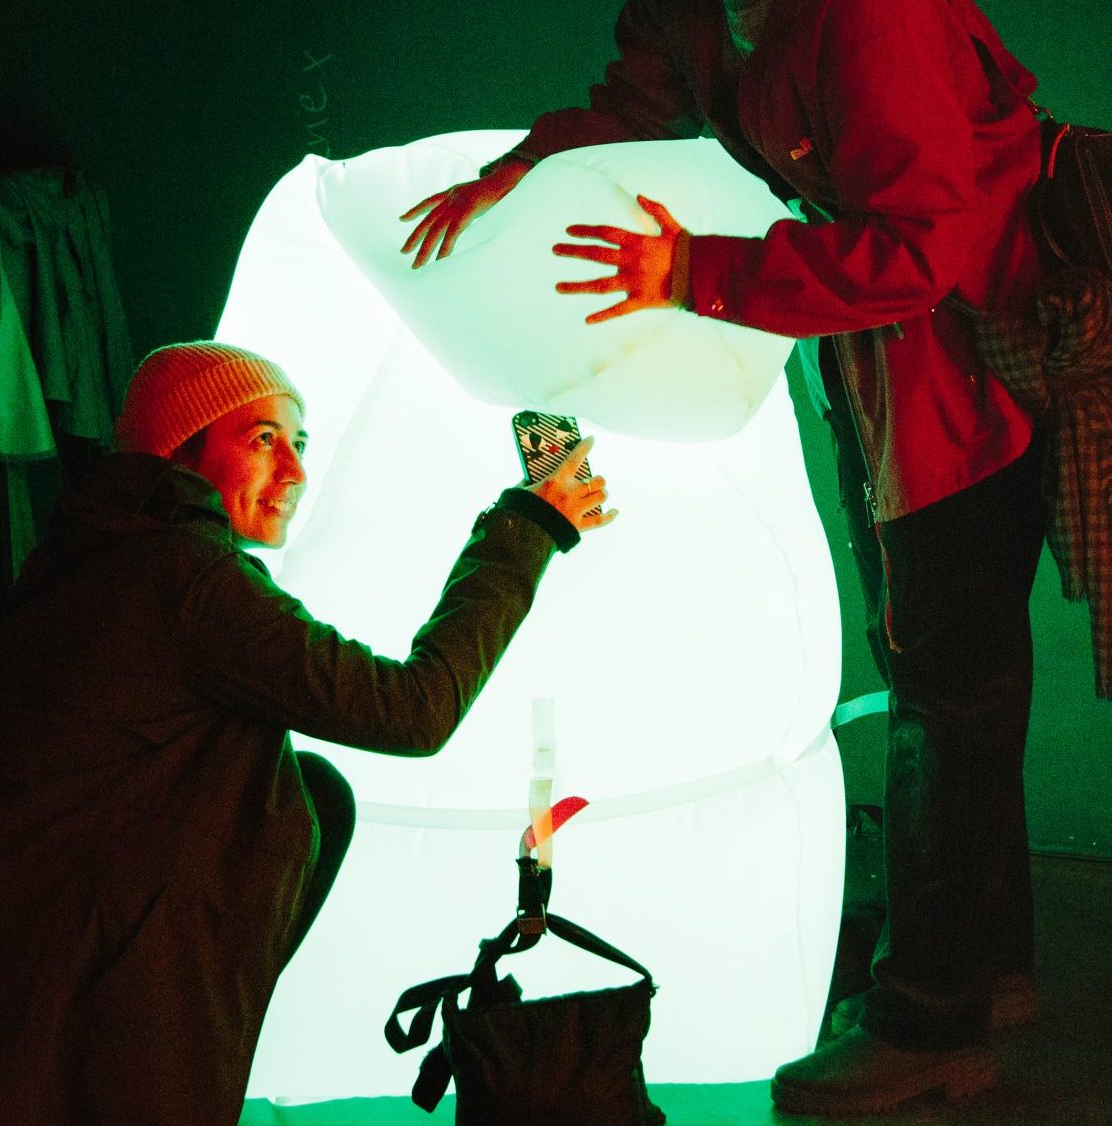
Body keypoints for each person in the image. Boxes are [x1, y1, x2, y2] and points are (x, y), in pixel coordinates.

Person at [400, 0, 1052, 1113]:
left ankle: (929, 1021)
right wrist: (520, 170)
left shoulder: (877, 21)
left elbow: (922, 248)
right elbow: (640, 106)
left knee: (949, 690)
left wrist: (692, 274)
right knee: (943, 681)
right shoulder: (696, 12)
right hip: (881, 366)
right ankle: (982, 967)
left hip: (966, 380)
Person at [0, 341, 615, 1125]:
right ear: (177, 450)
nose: (296, 471)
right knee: (303, 799)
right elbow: (411, 709)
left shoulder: (96, 549)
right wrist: (528, 523)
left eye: (300, 444)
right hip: (15, 947)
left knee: (308, 794)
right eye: (263, 440)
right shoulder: (184, 577)